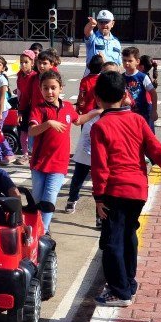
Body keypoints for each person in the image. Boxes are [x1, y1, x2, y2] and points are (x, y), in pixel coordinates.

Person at [90, 71, 161, 307]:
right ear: (125, 94)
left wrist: (99, 197)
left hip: (114, 191)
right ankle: (129, 283)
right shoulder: (137, 120)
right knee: (128, 235)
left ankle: (119, 291)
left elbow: (100, 167)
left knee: (112, 241)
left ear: (97, 98)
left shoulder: (100, 126)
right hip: (137, 191)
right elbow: (157, 150)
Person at [65, 61, 119, 220]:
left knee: (101, 181)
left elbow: (129, 103)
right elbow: (83, 110)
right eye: (106, 73)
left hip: (105, 145)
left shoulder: (119, 91)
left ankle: (99, 216)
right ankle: (72, 198)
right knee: (79, 174)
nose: (108, 76)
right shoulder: (97, 88)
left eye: (112, 73)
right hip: (89, 133)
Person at [27, 69, 78, 231]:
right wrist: (48, 123)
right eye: (45, 88)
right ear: (40, 89)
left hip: (59, 164)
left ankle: (44, 230)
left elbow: (78, 119)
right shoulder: (39, 109)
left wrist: (97, 111)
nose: (49, 91)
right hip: (40, 163)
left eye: (53, 88)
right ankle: (34, 226)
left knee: (49, 196)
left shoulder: (68, 107)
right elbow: (31, 131)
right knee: (37, 197)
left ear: (61, 88)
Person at [122, 47, 159, 132]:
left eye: (130, 61)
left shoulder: (142, 77)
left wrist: (154, 111)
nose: (126, 63)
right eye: (124, 60)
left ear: (137, 62)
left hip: (143, 113)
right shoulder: (121, 77)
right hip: (128, 114)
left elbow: (153, 94)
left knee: (146, 136)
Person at [15, 49, 39, 164]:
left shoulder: (35, 76)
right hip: (23, 106)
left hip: (34, 107)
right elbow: (22, 93)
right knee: (23, 131)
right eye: (21, 62)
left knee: (33, 131)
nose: (23, 64)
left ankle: (34, 154)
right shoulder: (20, 75)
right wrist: (20, 111)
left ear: (32, 63)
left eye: (26, 62)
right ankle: (25, 155)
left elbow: (30, 94)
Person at [83, 9, 122, 75]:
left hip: (111, 78)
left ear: (112, 23)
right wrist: (91, 24)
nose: (104, 24)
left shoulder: (116, 42)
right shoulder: (93, 38)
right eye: (101, 22)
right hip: (94, 78)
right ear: (97, 24)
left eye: (106, 22)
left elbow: (119, 64)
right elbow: (87, 31)